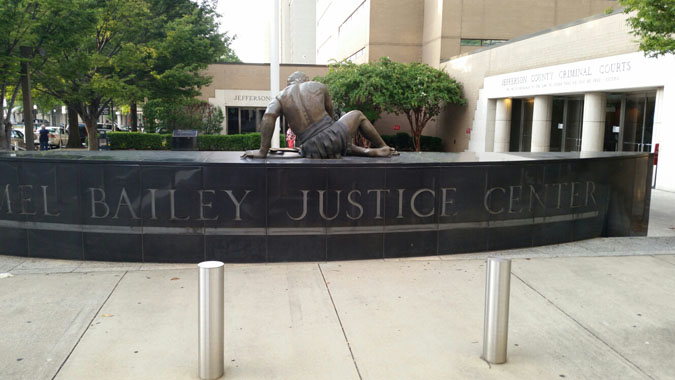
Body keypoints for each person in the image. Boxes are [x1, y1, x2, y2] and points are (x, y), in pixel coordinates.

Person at [243, 71, 397, 159]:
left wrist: (263, 150)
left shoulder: (280, 97)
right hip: (334, 136)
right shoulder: (317, 86)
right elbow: (330, 112)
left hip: (310, 148)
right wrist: (333, 133)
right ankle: (383, 147)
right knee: (357, 114)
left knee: (330, 141)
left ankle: (362, 150)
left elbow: (268, 117)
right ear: (305, 80)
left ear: (288, 83)